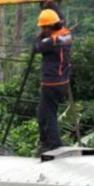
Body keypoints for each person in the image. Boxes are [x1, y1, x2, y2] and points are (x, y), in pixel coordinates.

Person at [34, 7, 72, 154]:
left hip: (52, 83)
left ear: (49, 27)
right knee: (44, 113)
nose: (43, 30)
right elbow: (62, 20)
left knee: (48, 115)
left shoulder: (51, 41)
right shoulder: (66, 34)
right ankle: (46, 142)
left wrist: (40, 35)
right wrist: (51, 5)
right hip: (63, 81)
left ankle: (54, 146)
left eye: (44, 27)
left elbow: (36, 46)